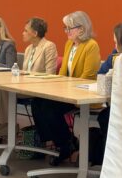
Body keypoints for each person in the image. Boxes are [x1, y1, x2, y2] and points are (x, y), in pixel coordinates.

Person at [31, 11, 101, 165]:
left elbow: (88, 76)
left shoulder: (91, 46)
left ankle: (65, 144)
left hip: (83, 93)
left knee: (50, 109)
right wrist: (55, 85)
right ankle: (59, 141)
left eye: (70, 28)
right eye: (66, 28)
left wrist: (64, 87)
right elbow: (63, 72)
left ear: (81, 29)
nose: (66, 31)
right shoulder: (69, 44)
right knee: (37, 103)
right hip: (67, 91)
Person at [0, 17, 58, 135]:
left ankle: (9, 125)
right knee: (1, 86)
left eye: (25, 31)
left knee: (6, 89)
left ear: (35, 33)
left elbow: (50, 75)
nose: (22, 33)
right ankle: (5, 123)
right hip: (26, 85)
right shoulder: (28, 49)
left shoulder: (49, 46)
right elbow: (24, 71)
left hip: (39, 87)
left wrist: (29, 78)